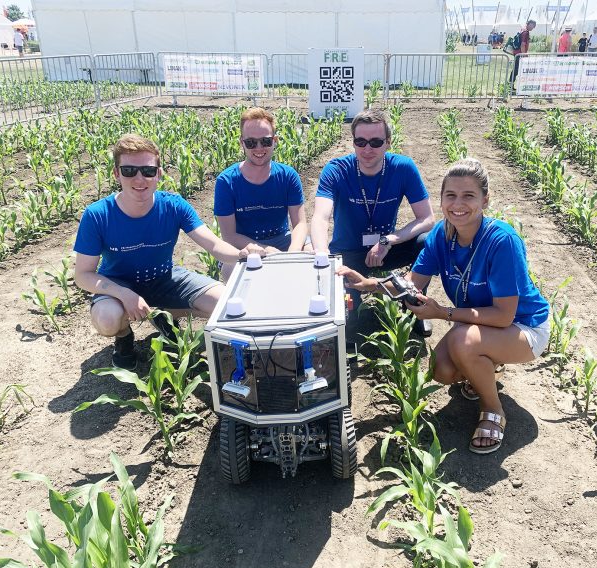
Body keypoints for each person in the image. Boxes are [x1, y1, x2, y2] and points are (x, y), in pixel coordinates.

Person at [337, 159, 550, 454]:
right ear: (441, 199)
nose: (458, 204)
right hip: (480, 324)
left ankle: (493, 409)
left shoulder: (502, 241)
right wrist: (367, 284)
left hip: (523, 327)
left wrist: (441, 313)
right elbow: (411, 282)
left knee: (464, 341)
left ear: (485, 200)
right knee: (441, 370)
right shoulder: (442, 235)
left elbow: (504, 316)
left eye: (468, 196)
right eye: (450, 195)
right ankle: (486, 364)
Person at [74, 134, 264, 370]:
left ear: (159, 173)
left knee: (227, 304)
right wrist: (124, 294)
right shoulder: (98, 215)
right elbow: (83, 275)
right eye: (129, 171)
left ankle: (165, 314)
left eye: (148, 171)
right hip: (117, 284)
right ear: (116, 174)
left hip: (165, 277)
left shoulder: (173, 205)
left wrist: (241, 254)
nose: (139, 179)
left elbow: (213, 245)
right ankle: (123, 337)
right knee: (107, 319)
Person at [310, 108, 435, 334]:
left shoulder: (403, 168)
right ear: (353, 142)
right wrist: (322, 254)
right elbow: (320, 216)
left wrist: (388, 240)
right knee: (348, 322)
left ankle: (416, 306)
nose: (367, 149)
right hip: (348, 252)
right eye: (361, 142)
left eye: (376, 142)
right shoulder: (337, 170)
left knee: (427, 242)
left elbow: (427, 218)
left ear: (388, 142)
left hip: (385, 250)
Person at [214, 107, 310, 280]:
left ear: (275, 141)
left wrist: (293, 253)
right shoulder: (227, 181)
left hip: (282, 238)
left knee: (310, 253)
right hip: (243, 244)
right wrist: (265, 250)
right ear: (241, 143)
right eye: (251, 142)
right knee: (230, 271)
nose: (259, 148)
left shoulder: (288, 176)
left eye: (265, 141)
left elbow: (300, 224)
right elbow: (229, 236)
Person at [511, 20, 536, 89]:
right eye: (532, 26)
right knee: (516, 70)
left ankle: (511, 85)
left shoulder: (522, 29)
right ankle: (510, 85)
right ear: (529, 24)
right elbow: (522, 45)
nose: (533, 28)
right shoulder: (526, 32)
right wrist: (524, 55)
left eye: (534, 26)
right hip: (519, 54)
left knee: (516, 70)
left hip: (517, 53)